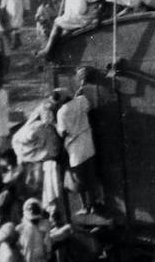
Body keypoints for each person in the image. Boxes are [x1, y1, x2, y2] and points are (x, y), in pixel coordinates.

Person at [54, 87, 100, 215]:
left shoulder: (61, 112)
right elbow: (86, 107)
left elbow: (63, 132)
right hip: (88, 143)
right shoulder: (81, 100)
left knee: (78, 179)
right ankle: (93, 205)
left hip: (75, 149)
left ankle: (84, 206)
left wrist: (55, 126)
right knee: (90, 176)